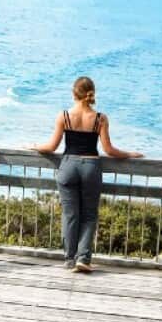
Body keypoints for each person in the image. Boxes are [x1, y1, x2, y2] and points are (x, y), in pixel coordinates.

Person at [31, 76, 143, 273]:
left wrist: (32, 146)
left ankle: (69, 260)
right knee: (89, 215)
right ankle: (84, 258)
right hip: (91, 166)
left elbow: (51, 147)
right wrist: (130, 154)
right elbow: (109, 150)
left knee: (70, 215)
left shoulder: (64, 116)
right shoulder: (100, 118)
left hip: (68, 167)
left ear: (74, 94)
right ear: (91, 94)